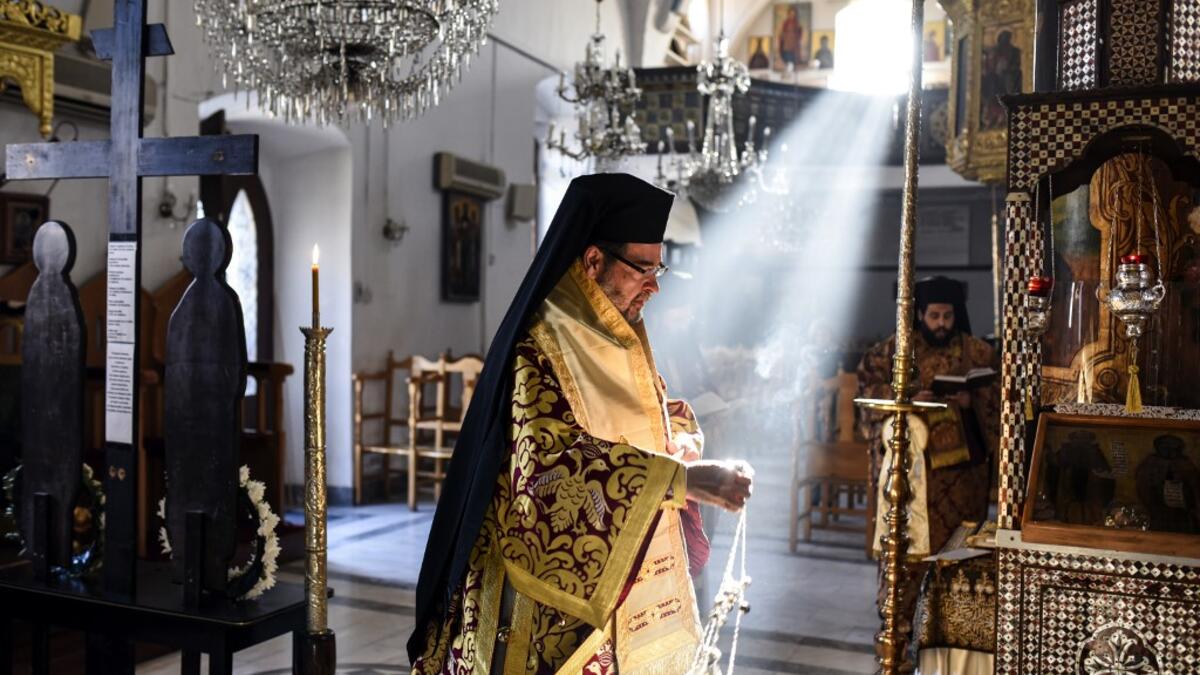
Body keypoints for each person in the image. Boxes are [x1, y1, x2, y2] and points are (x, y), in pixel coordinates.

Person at [409, 173, 754, 675]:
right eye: (642, 269)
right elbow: (548, 470)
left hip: (614, 586)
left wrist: (679, 441)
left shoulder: (619, 334)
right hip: (539, 602)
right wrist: (680, 480)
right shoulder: (541, 347)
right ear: (594, 261)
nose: (654, 286)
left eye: (659, 269)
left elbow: (656, 410)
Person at [856, 277, 999, 646]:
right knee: (907, 549)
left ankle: (952, 630)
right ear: (920, 314)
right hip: (913, 474)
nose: (941, 323)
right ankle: (899, 624)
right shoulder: (896, 350)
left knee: (957, 550)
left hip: (962, 477)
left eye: (947, 316)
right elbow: (867, 387)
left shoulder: (978, 353)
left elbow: (999, 406)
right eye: (934, 316)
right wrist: (905, 395)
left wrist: (972, 401)